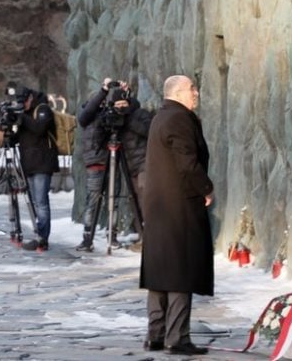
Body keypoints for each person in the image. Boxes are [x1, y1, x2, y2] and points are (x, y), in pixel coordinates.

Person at [139, 75, 214, 356]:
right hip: (179, 206)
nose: (196, 93)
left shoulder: (162, 117)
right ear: (180, 92)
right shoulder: (180, 119)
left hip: (159, 206)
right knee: (181, 271)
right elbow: (187, 162)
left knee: (160, 270)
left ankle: (156, 334)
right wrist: (206, 188)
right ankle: (177, 337)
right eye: (193, 89)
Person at [75, 78, 152, 252]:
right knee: (93, 200)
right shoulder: (97, 114)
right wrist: (104, 90)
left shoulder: (128, 115)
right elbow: (84, 117)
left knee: (115, 198)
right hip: (98, 161)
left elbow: (136, 112)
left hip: (117, 161)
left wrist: (127, 99)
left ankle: (114, 236)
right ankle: (87, 238)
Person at [13, 86, 59, 251]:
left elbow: (39, 129)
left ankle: (42, 238)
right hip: (28, 164)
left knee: (41, 202)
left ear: (30, 98)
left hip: (42, 163)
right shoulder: (24, 114)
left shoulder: (43, 109)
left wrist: (22, 117)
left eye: (23, 101)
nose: (21, 104)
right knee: (35, 202)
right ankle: (39, 235)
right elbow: (17, 138)